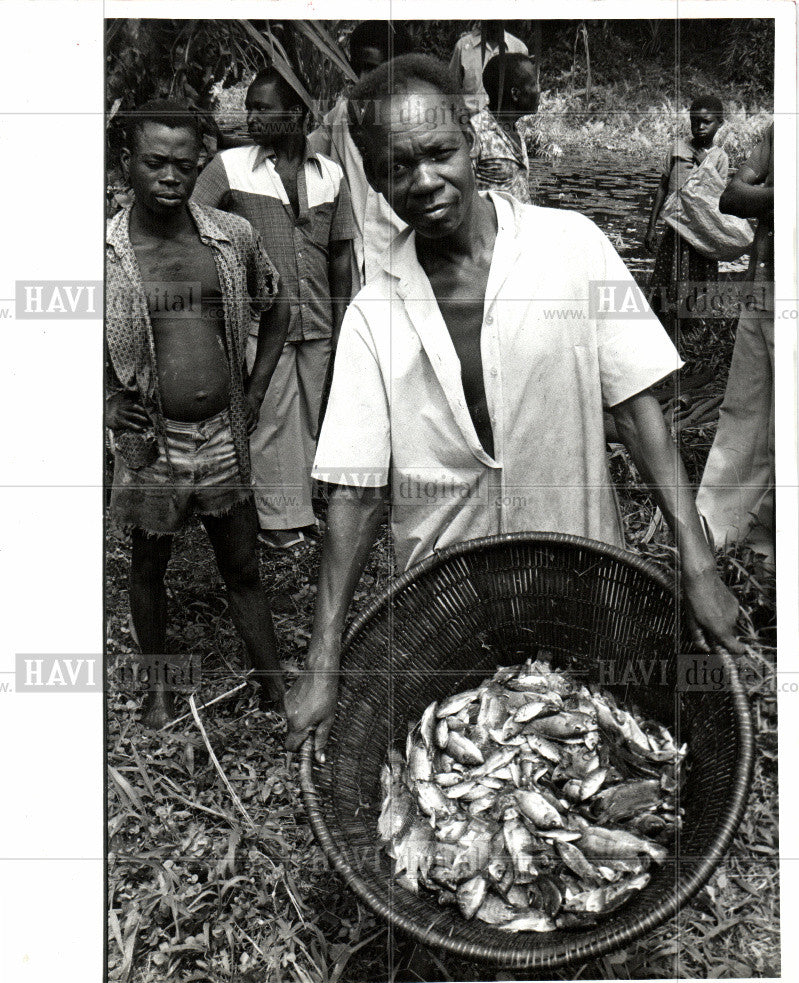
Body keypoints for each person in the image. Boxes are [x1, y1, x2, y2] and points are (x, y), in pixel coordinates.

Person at [283, 55, 743, 758]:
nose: (424, 181)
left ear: (471, 140)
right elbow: (353, 494)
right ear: (374, 181)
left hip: (581, 577)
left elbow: (634, 410)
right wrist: (324, 656)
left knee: (589, 751)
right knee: (469, 770)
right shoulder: (372, 316)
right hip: (449, 604)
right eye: (398, 168)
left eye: (438, 153)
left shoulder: (573, 247)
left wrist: (698, 564)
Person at [105, 100, 290, 727]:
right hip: (152, 441)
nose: (170, 177)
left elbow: (279, 305)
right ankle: (160, 690)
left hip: (221, 434)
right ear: (126, 162)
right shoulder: (106, 252)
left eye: (184, 165)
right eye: (155, 163)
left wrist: (257, 389)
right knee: (149, 565)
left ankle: (272, 685)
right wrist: (108, 400)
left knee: (241, 565)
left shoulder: (228, 236)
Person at [193, 68, 355, 550]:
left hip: (319, 319)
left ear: (297, 114)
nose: (251, 117)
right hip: (262, 321)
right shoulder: (229, 167)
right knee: (266, 413)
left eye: (263, 108)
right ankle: (274, 520)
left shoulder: (329, 174)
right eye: (250, 108)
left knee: (308, 415)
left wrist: (346, 319)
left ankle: (296, 510)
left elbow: (341, 253)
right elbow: (192, 222)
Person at [696, 122, 774, 567]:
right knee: (742, 411)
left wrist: (764, 197)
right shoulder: (780, 129)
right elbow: (731, 197)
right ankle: (718, 534)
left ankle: (772, 546)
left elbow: (748, 194)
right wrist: (779, 198)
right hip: (761, 289)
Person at [307, 20, 413, 290]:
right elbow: (303, 151)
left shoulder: (417, 120)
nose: (365, 80)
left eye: (374, 69)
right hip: (357, 266)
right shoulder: (342, 116)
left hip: (407, 256)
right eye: (360, 69)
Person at [644, 95, 729, 332]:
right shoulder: (678, 148)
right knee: (664, 286)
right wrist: (651, 227)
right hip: (675, 230)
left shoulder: (719, 158)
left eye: (706, 122)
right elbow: (662, 187)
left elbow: (717, 198)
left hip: (701, 235)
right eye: (695, 122)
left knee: (697, 289)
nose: (699, 127)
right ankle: (661, 332)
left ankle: (692, 334)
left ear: (719, 123)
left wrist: (705, 166)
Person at [470, 52, 539, 204]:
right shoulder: (475, 133)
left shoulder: (514, 131)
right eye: (534, 84)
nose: (538, 91)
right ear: (515, 93)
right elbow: (462, 194)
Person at [449, 21, 528, 115]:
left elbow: (523, 94)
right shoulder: (463, 46)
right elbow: (452, 85)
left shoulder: (519, 50)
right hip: (467, 122)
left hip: (502, 124)